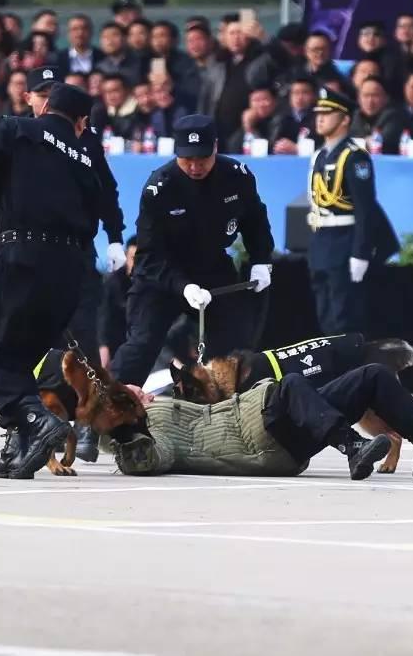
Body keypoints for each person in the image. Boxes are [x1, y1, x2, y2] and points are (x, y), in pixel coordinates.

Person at [0, 82, 103, 480]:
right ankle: (18, 447)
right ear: (81, 122)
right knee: (20, 359)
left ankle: (37, 420)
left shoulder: (15, 129)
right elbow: (94, 218)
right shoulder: (87, 157)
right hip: (69, 271)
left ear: (44, 110)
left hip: (21, 259)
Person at [109, 115, 274, 386]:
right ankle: (107, 411)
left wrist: (260, 260)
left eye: (202, 159)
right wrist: (183, 287)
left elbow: (256, 221)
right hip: (161, 275)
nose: (195, 166)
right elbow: (149, 255)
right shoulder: (159, 187)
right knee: (141, 344)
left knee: (232, 345)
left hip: (211, 267)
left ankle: (223, 406)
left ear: (216, 148)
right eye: (187, 160)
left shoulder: (237, 177)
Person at [116, 365, 413, 480]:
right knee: (290, 383)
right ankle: (352, 447)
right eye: (138, 397)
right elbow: (152, 457)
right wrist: (125, 435)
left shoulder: (167, 401)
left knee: (374, 376)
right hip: (259, 441)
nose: (146, 393)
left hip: (278, 428)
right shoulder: (152, 427)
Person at [23, 66, 126, 463]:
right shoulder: (19, 135)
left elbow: (106, 191)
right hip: (30, 254)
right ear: (29, 98)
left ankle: (85, 423)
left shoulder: (86, 141)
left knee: (81, 339)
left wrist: (115, 235)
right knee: (33, 340)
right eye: (40, 93)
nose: (47, 101)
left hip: (76, 250)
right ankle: (32, 420)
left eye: (54, 94)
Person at [307, 89, 399, 335]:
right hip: (321, 241)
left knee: (344, 318)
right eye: (319, 113)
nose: (321, 118)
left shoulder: (354, 157)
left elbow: (365, 209)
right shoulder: (320, 155)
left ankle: (350, 371)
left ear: (345, 119)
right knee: (325, 315)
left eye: (328, 113)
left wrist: (360, 252)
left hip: (344, 241)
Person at [99, 238, 137, 370]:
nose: (136, 264)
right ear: (126, 256)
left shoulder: (149, 281)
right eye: (133, 258)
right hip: (114, 340)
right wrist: (103, 346)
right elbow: (103, 316)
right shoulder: (112, 282)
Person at [350, 77, 405, 155]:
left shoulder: (394, 116)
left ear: (386, 98)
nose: (370, 101)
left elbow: (383, 141)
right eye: (366, 95)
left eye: (375, 95)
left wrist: (364, 141)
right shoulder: (355, 115)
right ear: (358, 98)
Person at [271, 77, 318, 153]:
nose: (300, 97)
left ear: (313, 96)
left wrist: (297, 149)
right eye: (296, 93)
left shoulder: (318, 118)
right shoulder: (281, 118)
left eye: (305, 92)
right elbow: (271, 143)